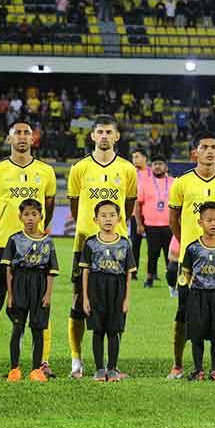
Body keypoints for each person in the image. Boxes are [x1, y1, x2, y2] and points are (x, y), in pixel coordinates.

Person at [0, 120, 57, 379]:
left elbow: (49, 206)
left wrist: (36, 234)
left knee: (40, 306)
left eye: (27, 133)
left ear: (33, 139)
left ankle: (41, 362)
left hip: (35, 252)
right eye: (17, 133)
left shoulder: (46, 172)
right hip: (3, 250)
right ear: (9, 139)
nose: (22, 137)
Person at [66, 116, 137, 379]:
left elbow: (128, 208)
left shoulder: (127, 170)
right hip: (86, 244)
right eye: (100, 132)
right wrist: (89, 227)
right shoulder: (80, 168)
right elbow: (75, 207)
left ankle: (112, 364)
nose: (104, 136)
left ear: (117, 136)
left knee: (116, 305)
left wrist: (115, 230)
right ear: (93, 136)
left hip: (117, 246)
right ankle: (77, 360)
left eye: (109, 131)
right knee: (78, 303)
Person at [167, 132, 215, 380]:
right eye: (204, 147)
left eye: (213, 147)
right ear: (195, 153)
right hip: (191, 262)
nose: (209, 151)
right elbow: (173, 219)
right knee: (183, 312)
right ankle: (177, 364)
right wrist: (188, 243)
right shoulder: (182, 182)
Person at [3, 199, 59, 382]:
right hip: (20, 284)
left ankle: (36, 369)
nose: (30, 218)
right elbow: (9, 270)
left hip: (39, 284)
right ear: (20, 217)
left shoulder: (48, 242)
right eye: (26, 214)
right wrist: (10, 295)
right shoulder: (14, 239)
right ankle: (14, 369)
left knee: (38, 329)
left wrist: (48, 294)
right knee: (18, 327)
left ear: (41, 217)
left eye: (34, 214)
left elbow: (51, 271)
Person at [81, 201, 136, 382]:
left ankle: (112, 368)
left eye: (112, 215)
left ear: (119, 218)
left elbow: (128, 274)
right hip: (96, 288)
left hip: (117, 289)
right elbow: (86, 271)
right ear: (95, 219)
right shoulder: (90, 243)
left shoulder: (124, 243)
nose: (108, 219)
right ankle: (99, 368)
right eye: (103, 216)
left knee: (114, 330)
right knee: (98, 330)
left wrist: (127, 299)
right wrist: (85, 298)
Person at [180, 202, 215, 381]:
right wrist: (189, 295)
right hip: (197, 295)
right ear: (200, 222)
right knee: (197, 334)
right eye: (209, 220)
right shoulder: (193, 248)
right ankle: (198, 369)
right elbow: (186, 274)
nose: (213, 224)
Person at [135, 155, 173, 288]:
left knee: (170, 255)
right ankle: (149, 278)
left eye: (160, 164)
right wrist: (139, 224)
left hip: (170, 225)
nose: (157, 166)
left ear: (166, 167)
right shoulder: (145, 183)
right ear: (152, 167)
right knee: (152, 254)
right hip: (151, 225)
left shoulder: (174, 182)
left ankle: (172, 280)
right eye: (155, 164)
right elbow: (138, 205)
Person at [129, 147, 150, 274]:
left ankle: (152, 272)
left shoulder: (152, 173)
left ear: (144, 158)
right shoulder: (131, 173)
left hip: (150, 213)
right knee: (135, 244)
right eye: (133, 157)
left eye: (137, 157)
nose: (134, 160)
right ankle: (133, 271)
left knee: (153, 245)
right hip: (134, 213)